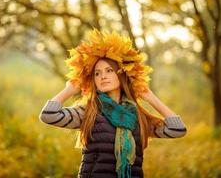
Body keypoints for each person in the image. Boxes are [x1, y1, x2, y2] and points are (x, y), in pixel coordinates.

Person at [39, 29, 187, 178]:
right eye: (97, 73)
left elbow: (178, 129)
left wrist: (150, 96)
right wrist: (70, 88)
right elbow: (48, 115)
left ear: (121, 74)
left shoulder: (138, 118)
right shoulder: (89, 112)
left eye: (109, 70)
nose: (103, 76)